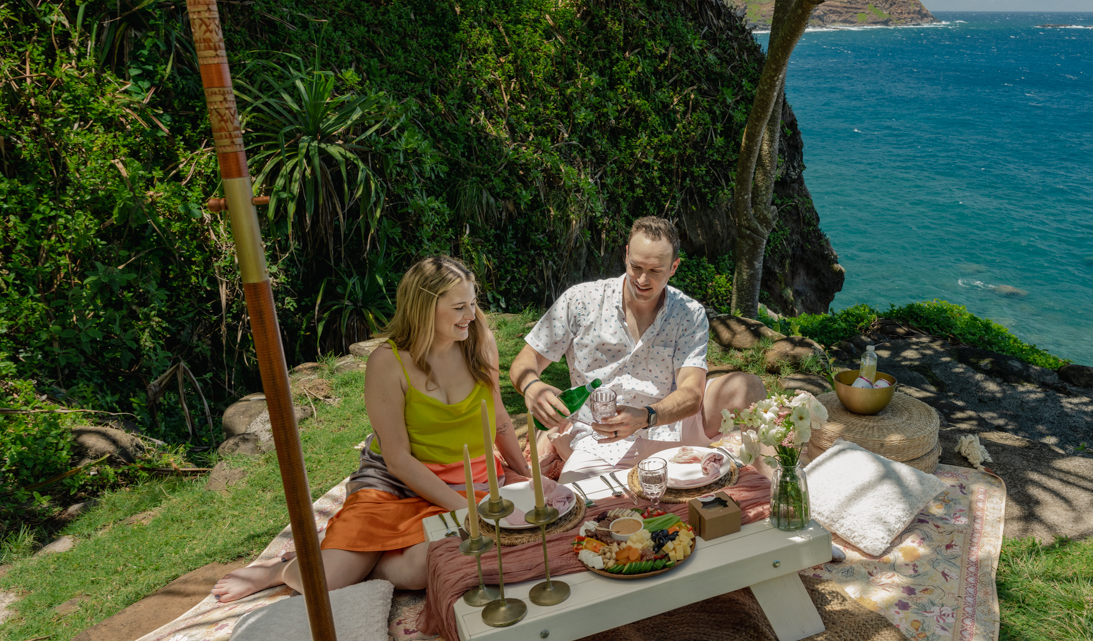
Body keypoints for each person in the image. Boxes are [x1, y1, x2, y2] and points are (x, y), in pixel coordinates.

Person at [212, 256, 529, 603]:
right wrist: (465, 512)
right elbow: (397, 460)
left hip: (470, 480)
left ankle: (368, 560)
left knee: (426, 567)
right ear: (423, 308)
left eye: (472, 303)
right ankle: (277, 570)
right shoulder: (388, 363)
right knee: (327, 582)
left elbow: (498, 417)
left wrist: (525, 475)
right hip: (395, 483)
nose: (471, 315)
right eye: (458, 307)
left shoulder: (479, 343)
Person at [509, 216, 766, 482]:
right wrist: (531, 386)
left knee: (748, 387)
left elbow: (691, 394)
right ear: (626, 256)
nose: (643, 279)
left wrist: (646, 416)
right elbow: (524, 362)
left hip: (670, 424)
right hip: (601, 438)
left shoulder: (688, 313)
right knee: (576, 501)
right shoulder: (580, 301)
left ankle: (772, 489)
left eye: (655, 271)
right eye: (636, 267)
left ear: (673, 267)